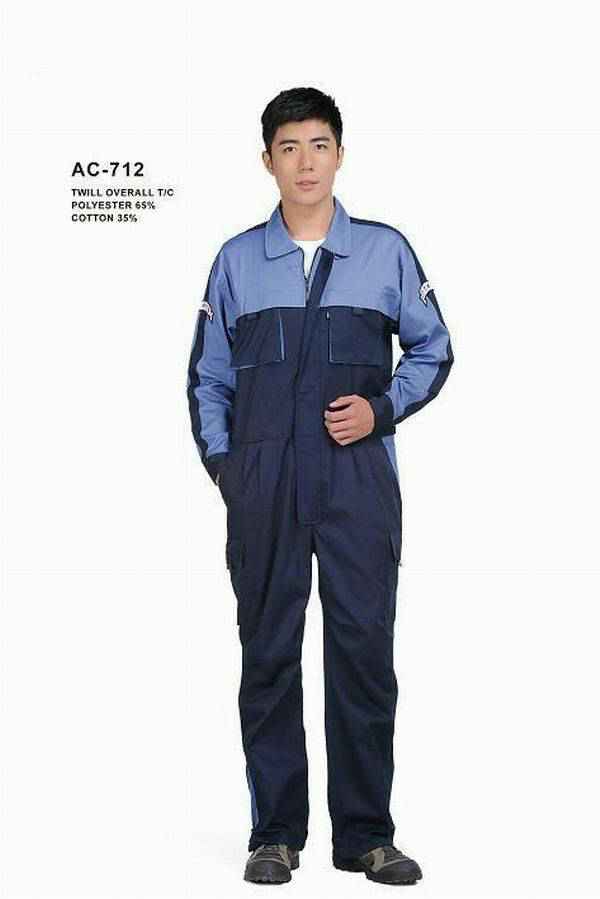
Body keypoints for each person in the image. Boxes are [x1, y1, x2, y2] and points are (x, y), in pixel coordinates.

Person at [187, 86, 454, 886]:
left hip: (357, 485)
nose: (305, 162)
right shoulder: (237, 261)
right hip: (265, 488)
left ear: (340, 154)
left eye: (319, 145)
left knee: (363, 653)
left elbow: (434, 349)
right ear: (267, 160)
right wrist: (233, 470)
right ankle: (275, 833)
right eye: (289, 147)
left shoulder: (384, 251)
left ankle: (367, 835)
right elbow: (206, 379)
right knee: (269, 653)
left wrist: (380, 409)